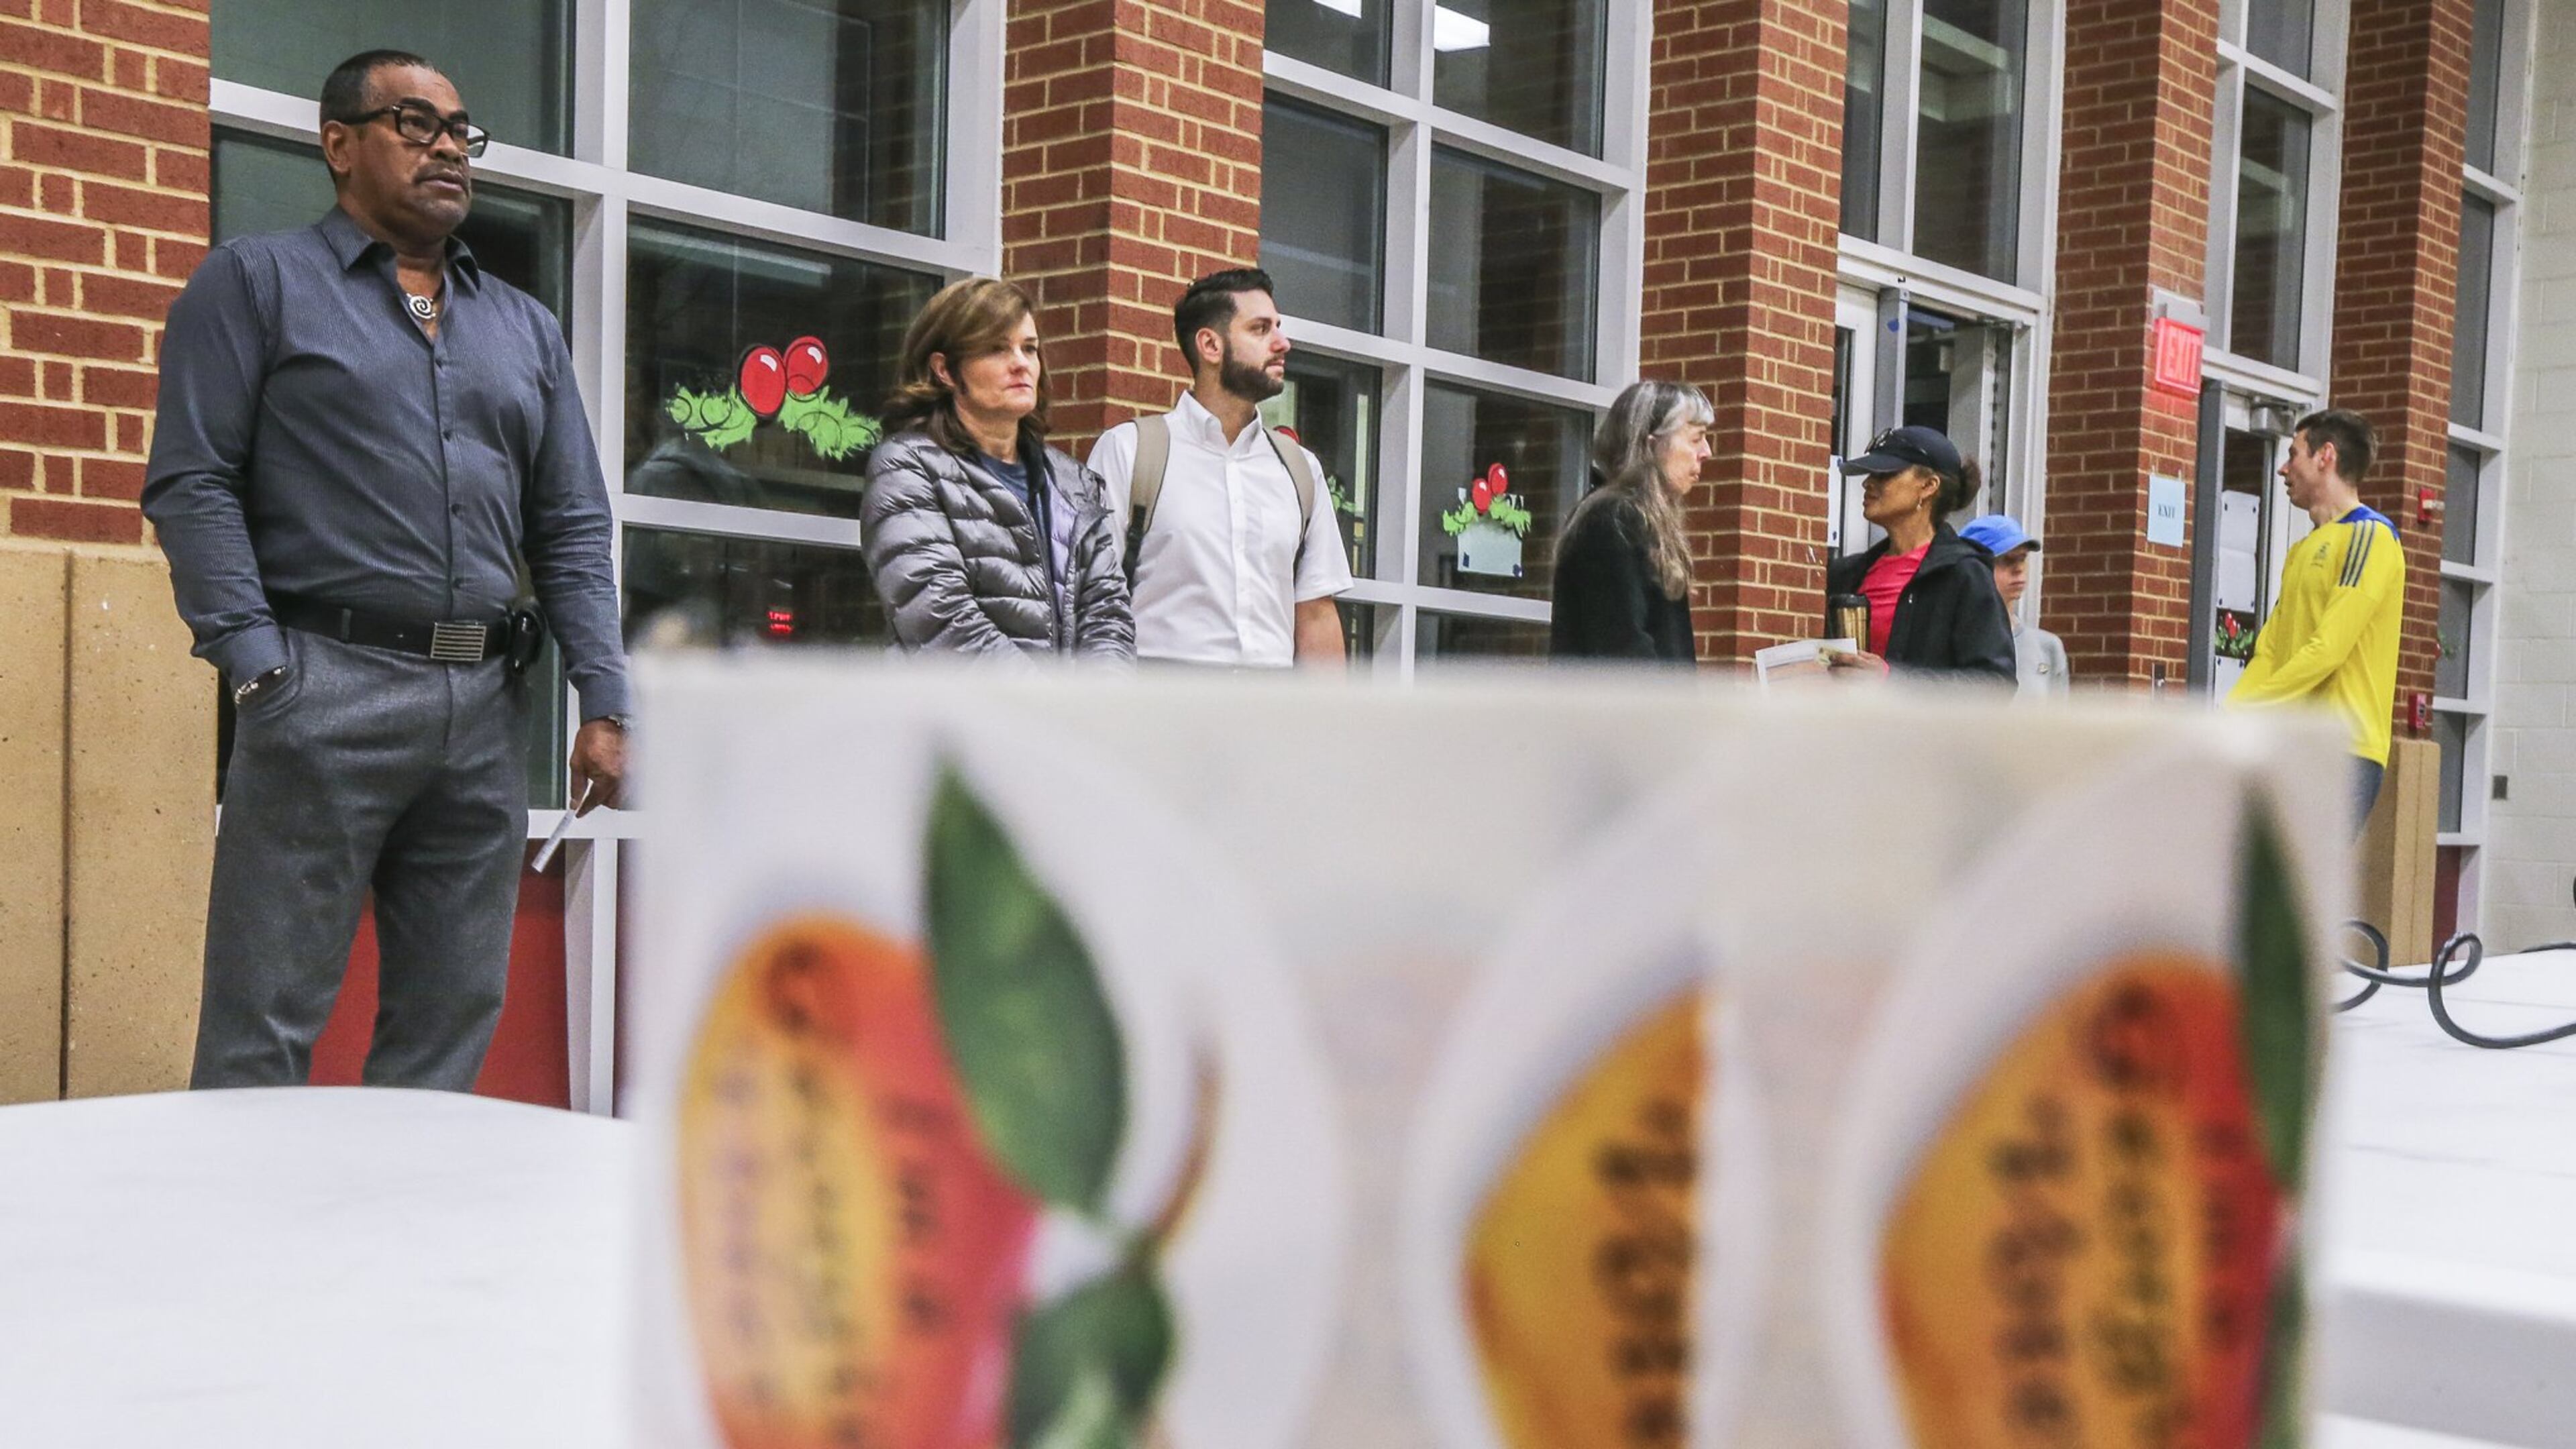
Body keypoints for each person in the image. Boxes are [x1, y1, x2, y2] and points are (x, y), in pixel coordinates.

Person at [142, 50, 629, 1090]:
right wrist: (260, 666)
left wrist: (604, 696)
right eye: (415, 123)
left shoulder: (524, 327)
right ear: (338, 144)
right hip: (324, 690)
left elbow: (574, 524)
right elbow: (192, 482)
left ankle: (401, 1246)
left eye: (462, 131)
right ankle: (237, 1251)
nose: (449, 145)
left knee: (450, 1022)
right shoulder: (257, 283)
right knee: (264, 1021)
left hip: (485, 710)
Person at [1086, 268, 1354, 669]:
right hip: (1156, 708)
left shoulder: (1300, 469)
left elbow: (1316, 615)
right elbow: (1090, 600)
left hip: (1268, 714)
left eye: (1277, 327)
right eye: (1261, 329)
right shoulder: (1130, 451)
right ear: (1210, 345)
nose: (1282, 343)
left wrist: (1329, 730)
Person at [861, 276, 1134, 662]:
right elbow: (940, 619)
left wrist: (1091, 709)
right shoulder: (907, 466)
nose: (1021, 363)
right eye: (996, 349)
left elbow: (1109, 617)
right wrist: (1045, 709)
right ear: (945, 370)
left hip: (1069, 719)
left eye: (1030, 349)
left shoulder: (1074, 482)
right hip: (953, 718)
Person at [2227, 409, 2404, 828]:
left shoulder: (2371, 537)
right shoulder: (2302, 551)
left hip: (2345, 750)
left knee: (2301, 884)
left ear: (2326, 456)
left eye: (2294, 454)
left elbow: (2329, 649)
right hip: (2294, 744)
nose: (2284, 469)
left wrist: (2251, 708)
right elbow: (2270, 650)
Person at [1822, 426, 2016, 685]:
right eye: (1870, 474)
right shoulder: (1845, 574)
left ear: (1928, 486)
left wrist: (1893, 680)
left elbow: (1996, 683)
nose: (1868, 482)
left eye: (1885, 474)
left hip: (1918, 727)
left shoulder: (1964, 574)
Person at [1550, 380, 1709, 665]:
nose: (1706, 452)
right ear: (1652, 446)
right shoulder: (1614, 520)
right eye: (1696, 439)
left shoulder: (1624, 517)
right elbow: (1624, 652)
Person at [1959, 513, 2070, 698]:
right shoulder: (1950, 641)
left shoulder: (2048, 647)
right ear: (1974, 568)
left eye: (2022, 558)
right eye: (2006, 560)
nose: (2018, 569)